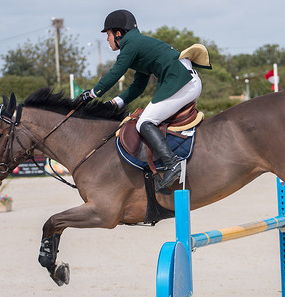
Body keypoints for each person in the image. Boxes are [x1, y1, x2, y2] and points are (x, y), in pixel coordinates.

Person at [76, 9, 208, 193]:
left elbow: (116, 72)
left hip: (181, 83)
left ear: (118, 33)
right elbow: (138, 85)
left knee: (145, 122)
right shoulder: (138, 44)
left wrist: (92, 93)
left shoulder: (130, 44)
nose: (107, 39)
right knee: (148, 119)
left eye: (108, 34)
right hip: (185, 80)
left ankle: (172, 164)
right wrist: (116, 103)